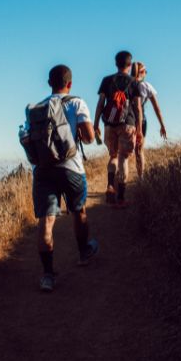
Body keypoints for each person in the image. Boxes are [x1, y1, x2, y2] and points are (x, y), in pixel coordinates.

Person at [21, 64, 98, 292]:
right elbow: (90, 138)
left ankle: (47, 275)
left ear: (49, 83)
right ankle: (83, 252)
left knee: (46, 222)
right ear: (70, 83)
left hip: (44, 170)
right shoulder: (77, 102)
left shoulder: (37, 109)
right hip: (71, 168)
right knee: (79, 211)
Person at [93, 51, 143, 206]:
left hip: (109, 124)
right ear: (130, 65)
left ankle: (109, 185)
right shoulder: (134, 82)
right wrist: (139, 129)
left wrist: (95, 124)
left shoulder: (106, 80)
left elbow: (101, 103)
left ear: (116, 63)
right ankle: (121, 198)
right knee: (123, 158)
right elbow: (138, 108)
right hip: (127, 124)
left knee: (113, 156)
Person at [131, 61, 167, 178]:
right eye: (145, 71)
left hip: (126, 121)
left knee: (123, 152)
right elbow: (157, 108)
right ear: (141, 72)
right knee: (139, 151)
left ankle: (120, 180)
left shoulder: (126, 84)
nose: (146, 73)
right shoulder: (146, 86)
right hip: (141, 120)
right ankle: (141, 178)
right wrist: (162, 125)